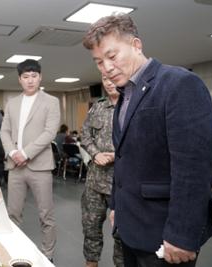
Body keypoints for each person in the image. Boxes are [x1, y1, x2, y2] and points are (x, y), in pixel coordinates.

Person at [83, 14, 212, 267]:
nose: (106, 67)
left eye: (112, 56)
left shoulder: (179, 84)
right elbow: (125, 160)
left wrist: (182, 235)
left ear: (136, 44)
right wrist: (117, 206)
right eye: (99, 62)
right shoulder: (124, 97)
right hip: (130, 227)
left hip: (165, 235)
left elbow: (195, 168)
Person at [0, 59, 60, 261]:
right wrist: (12, 153)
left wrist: (25, 153)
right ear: (20, 79)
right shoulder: (11, 102)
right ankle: (14, 253)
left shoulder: (51, 101)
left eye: (34, 76)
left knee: (46, 215)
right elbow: (4, 131)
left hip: (40, 166)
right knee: (12, 214)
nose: (30, 80)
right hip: (15, 167)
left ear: (40, 77)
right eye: (26, 77)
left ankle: (47, 255)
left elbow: (50, 132)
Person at [80, 76, 123, 267]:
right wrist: (95, 154)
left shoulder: (132, 106)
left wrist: (116, 156)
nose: (109, 82)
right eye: (105, 78)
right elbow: (85, 135)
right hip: (95, 181)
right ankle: (91, 263)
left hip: (121, 183)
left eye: (112, 78)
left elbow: (140, 142)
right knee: (91, 227)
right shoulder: (97, 107)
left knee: (122, 232)